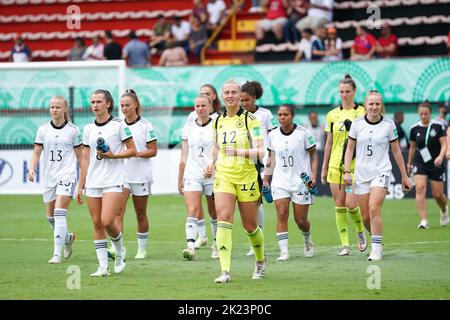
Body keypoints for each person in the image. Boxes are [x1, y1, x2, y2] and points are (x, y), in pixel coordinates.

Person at [205, 80, 266, 283]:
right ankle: (225, 271)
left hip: (247, 177)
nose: (230, 95)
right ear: (222, 96)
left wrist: (238, 152)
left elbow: (261, 151)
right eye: (226, 92)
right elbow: (215, 146)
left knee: (250, 226)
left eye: (233, 92)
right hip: (224, 176)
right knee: (223, 218)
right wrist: (211, 162)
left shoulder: (251, 120)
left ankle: (260, 260)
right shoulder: (217, 121)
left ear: (239, 95)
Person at [344, 90, 412, 261]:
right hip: (361, 175)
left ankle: (376, 249)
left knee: (374, 208)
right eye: (371, 104)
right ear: (365, 105)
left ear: (382, 106)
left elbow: (396, 151)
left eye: (377, 104)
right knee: (366, 216)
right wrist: (346, 171)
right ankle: (375, 239)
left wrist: (404, 176)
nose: (374, 107)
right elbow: (350, 148)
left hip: (381, 172)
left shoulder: (389, 125)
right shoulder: (357, 124)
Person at [75, 89, 137, 277]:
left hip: (114, 180)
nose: (95, 105)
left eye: (99, 102)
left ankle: (119, 250)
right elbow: (85, 159)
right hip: (93, 181)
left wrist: (113, 155)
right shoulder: (88, 128)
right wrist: (80, 184)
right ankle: (103, 267)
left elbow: (132, 150)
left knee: (107, 220)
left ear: (108, 104)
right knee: (96, 224)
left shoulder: (119, 125)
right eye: (93, 102)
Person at [28, 96, 81, 264]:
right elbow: (37, 152)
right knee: (50, 217)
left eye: (58, 107)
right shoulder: (43, 130)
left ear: (64, 109)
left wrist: (84, 179)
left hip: (67, 175)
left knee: (59, 213)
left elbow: (81, 157)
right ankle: (68, 238)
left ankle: (56, 254)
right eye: (52, 107)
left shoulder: (73, 130)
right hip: (49, 177)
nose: (54, 110)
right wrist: (31, 168)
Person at [321, 74, 368, 256]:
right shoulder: (332, 114)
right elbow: (329, 143)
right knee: (339, 205)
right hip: (335, 165)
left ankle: (360, 232)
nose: (344, 95)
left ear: (354, 92)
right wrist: (324, 168)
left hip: (356, 166)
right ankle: (345, 245)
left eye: (348, 91)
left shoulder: (363, 112)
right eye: (341, 92)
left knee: (350, 204)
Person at [264, 104, 318, 261]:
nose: (282, 117)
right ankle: (284, 252)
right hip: (280, 181)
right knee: (281, 213)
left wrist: (313, 175)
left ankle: (307, 240)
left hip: (301, 181)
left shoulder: (303, 133)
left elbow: (314, 155)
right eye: (280, 115)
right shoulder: (273, 135)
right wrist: (266, 179)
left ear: (292, 116)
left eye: (285, 114)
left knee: (300, 220)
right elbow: (271, 158)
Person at [108, 89, 157, 260]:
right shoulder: (117, 125)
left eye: (127, 105)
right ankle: (116, 248)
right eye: (122, 105)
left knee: (140, 213)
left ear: (135, 105)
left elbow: (153, 151)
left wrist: (134, 152)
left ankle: (142, 249)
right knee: (117, 211)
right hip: (122, 175)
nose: (124, 108)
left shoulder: (145, 126)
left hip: (141, 175)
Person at [240, 80, 277, 256]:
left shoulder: (265, 115)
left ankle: (257, 237)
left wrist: (271, 158)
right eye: (242, 100)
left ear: (254, 98)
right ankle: (255, 238)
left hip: (262, 159)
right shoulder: (239, 115)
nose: (243, 104)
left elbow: (273, 136)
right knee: (254, 200)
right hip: (247, 159)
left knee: (257, 200)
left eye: (246, 100)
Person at [178, 95, 217, 260]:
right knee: (193, 209)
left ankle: (216, 244)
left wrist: (213, 166)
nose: (200, 109)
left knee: (214, 212)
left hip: (212, 175)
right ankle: (190, 247)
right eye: (197, 106)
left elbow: (219, 150)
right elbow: (184, 155)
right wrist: (179, 178)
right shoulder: (188, 128)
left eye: (203, 105)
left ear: (210, 107)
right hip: (192, 174)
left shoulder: (216, 125)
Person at [407, 101, 448, 229]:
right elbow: (412, 148)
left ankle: (444, 209)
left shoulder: (438, 126)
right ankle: (423, 220)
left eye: (426, 114)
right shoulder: (414, 128)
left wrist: (441, 157)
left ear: (430, 113)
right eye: (421, 114)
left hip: (436, 163)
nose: (423, 116)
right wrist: (409, 164)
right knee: (420, 188)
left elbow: (444, 144)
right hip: (420, 162)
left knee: (438, 195)